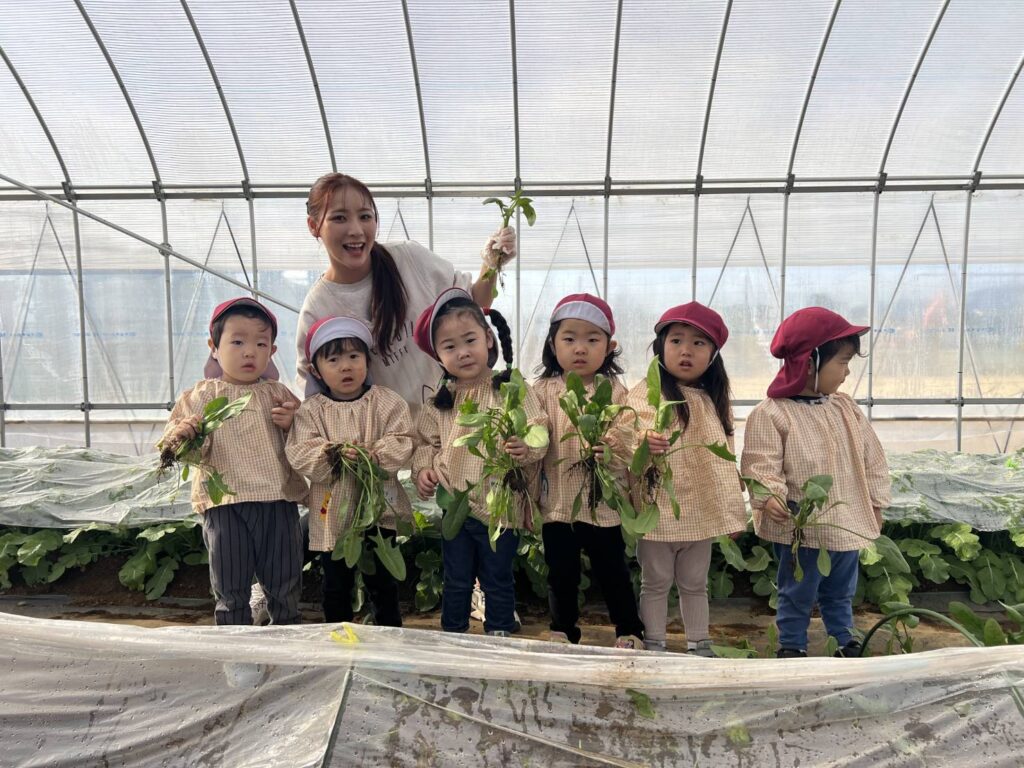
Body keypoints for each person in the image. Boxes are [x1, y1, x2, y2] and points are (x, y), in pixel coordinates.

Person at [296, 172, 516, 413]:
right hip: (388, 435)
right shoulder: (318, 308)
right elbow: (316, 400)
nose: (356, 230)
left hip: (454, 419)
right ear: (313, 226)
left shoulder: (409, 260)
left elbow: (475, 304)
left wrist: (491, 264)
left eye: (365, 216)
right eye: (339, 218)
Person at [741, 307, 891, 659]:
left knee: (841, 589)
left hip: (844, 521)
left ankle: (844, 640)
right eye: (843, 362)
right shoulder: (772, 413)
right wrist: (770, 496)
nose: (847, 371)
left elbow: (872, 458)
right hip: (801, 527)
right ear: (810, 362)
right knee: (797, 589)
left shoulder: (845, 408)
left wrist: (875, 502)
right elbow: (760, 464)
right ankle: (792, 646)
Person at [159, 297, 306, 625]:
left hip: (277, 499)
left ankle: (287, 638)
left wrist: (293, 423)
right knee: (230, 584)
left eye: (260, 344)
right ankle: (235, 644)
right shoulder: (202, 396)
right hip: (225, 504)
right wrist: (182, 434)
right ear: (214, 347)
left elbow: (306, 439)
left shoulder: (278, 394)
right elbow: (174, 445)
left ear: (272, 351)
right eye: (237, 342)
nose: (249, 352)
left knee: (284, 583)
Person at [411, 288, 548, 637]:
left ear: (488, 338)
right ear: (439, 356)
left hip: (500, 507)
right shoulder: (441, 399)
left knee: (497, 576)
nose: (462, 352)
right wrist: (424, 470)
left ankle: (499, 633)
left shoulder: (509, 387)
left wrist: (526, 446)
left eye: (470, 340)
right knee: (456, 578)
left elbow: (538, 426)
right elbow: (425, 442)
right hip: (456, 504)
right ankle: (453, 635)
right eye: (450, 346)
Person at [619, 303, 746, 654]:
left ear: (713, 354)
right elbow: (625, 432)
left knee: (694, 582)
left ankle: (699, 644)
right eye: (676, 340)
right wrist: (644, 440)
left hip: (699, 510)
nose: (686, 350)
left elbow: (725, 452)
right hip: (658, 507)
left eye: (698, 343)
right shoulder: (648, 392)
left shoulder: (713, 399)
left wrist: (732, 499)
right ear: (661, 347)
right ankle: (655, 643)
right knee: (655, 581)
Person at [532, 293, 645, 649]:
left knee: (612, 569)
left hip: (603, 503)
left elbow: (628, 432)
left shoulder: (616, 391)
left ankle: (629, 630)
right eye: (569, 339)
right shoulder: (542, 391)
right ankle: (563, 630)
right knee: (561, 572)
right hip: (559, 502)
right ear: (553, 344)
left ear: (609, 348)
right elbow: (535, 432)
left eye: (592, 340)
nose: (580, 348)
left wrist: (610, 447)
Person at [285, 316, 414, 625]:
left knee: (383, 582)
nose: (346, 366)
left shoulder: (385, 402)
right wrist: (334, 454)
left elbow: (404, 438)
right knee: (335, 584)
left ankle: (389, 633)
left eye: (354, 356)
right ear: (316, 370)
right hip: (332, 516)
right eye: (334, 360)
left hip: (378, 511)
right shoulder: (311, 411)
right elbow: (300, 451)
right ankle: (338, 635)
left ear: (367, 361)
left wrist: (375, 455)